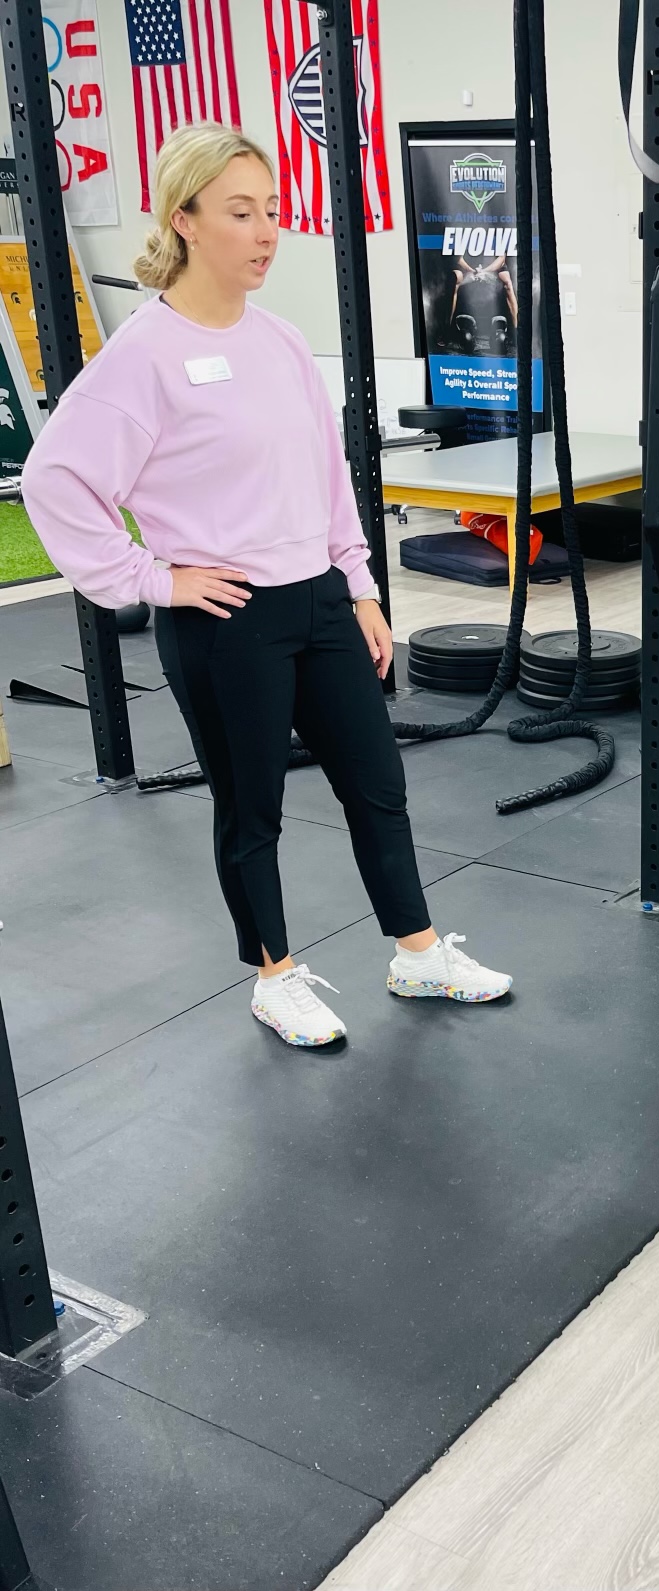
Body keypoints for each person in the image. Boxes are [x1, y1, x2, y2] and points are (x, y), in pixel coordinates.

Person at [21, 123, 513, 1048]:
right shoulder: (143, 356)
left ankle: (416, 952)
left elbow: (327, 476)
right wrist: (149, 577)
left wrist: (360, 587)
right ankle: (274, 977)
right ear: (184, 220)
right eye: (241, 213)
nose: (265, 233)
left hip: (319, 599)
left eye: (273, 211)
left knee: (377, 784)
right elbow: (55, 479)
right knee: (251, 810)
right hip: (226, 615)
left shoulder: (280, 341)